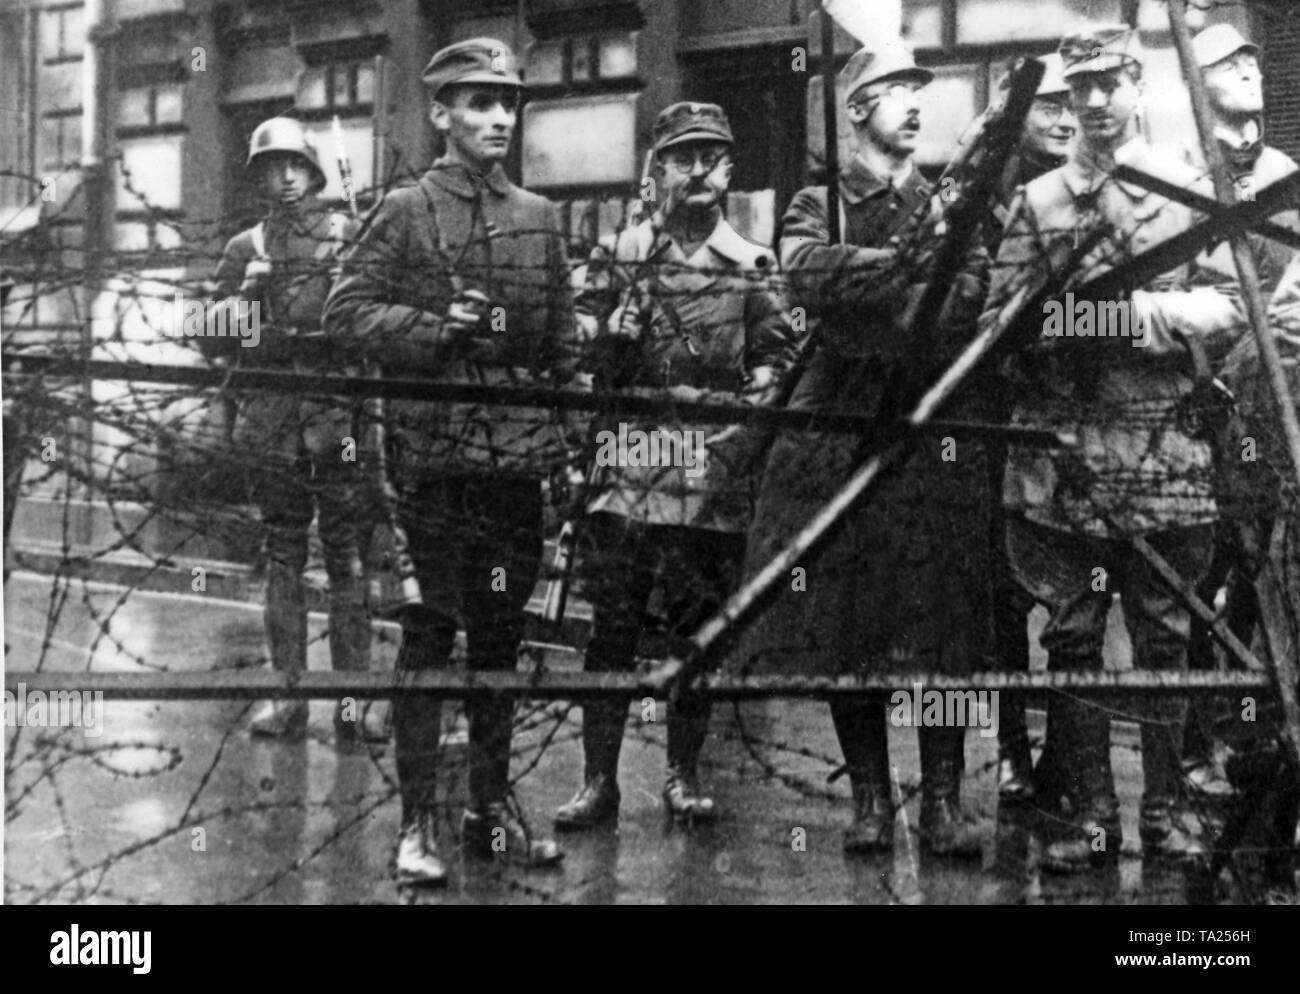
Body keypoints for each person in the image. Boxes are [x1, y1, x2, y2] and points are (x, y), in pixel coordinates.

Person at [983, 25, 1248, 872]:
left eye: (1111, 84)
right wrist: (1049, 329)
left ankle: (1167, 810)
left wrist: (1137, 321)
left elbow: (1229, 308)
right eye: (1080, 87)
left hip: (1162, 445)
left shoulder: (1183, 188)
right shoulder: (1038, 203)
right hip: (1061, 453)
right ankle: (1090, 812)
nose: (1095, 103)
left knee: (1166, 635)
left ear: (1138, 86)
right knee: (1071, 633)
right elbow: (995, 330)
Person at [732, 37, 992, 858]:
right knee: (854, 626)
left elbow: (974, 282)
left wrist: (903, 304)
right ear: (856, 112)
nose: (915, 104)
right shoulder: (819, 203)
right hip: (845, 438)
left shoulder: (951, 200)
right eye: (895, 91)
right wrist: (908, 267)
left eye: (921, 90)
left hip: (932, 429)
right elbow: (812, 273)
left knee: (946, 631)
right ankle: (873, 800)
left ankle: (944, 801)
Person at [323, 38, 574, 885]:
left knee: (502, 639)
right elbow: (346, 313)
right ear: (440, 113)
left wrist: (569, 441)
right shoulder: (402, 211)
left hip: (513, 467)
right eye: (478, 102)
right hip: (433, 467)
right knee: (431, 639)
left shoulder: (540, 219)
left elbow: (561, 349)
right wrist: (437, 332)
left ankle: (489, 804)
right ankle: (418, 819)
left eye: (508, 101)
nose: (499, 117)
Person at [553, 101, 795, 830]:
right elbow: (572, 342)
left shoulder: (754, 264)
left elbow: (779, 359)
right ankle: (600, 781)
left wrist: (753, 404)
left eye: (711, 158)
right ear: (656, 171)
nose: (697, 171)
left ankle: (683, 774)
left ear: (728, 173)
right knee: (612, 632)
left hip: (708, 468)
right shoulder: (622, 254)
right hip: (628, 463)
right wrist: (608, 336)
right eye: (681, 157)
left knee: (697, 629)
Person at [206, 117, 377, 745]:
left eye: (293, 166)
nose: (282, 177)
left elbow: (374, 325)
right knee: (282, 557)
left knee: (348, 561)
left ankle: (354, 709)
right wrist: (246, 299)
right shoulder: (243, 247)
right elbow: (210, 339)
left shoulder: (348, 236)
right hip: (274, 425)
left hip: (338, 423)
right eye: (269, 167)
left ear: (312, 171)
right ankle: (289, 701)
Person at [1183, 23, 1299, 798]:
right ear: (1199, 80)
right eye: (1230, 63)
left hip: (1283, 395)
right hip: (1212, 405)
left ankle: (1262, 738)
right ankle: (1193, 743)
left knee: (1274, 573)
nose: (1251, 70)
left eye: (1253, 59)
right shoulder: (1185, 176)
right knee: (1206, 576)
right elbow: (1181, 297)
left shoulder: (1288, 173)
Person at [986, 53, 1079, 804]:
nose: (1064, 116)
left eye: (1070, 103)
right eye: (1048, 105)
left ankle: (1065, 756)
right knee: (1002, 599)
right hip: (987, 415)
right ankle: (1014, 747)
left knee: (1073, 602)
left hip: (1070, 414)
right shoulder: (987, 200)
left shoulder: (1090, 191)